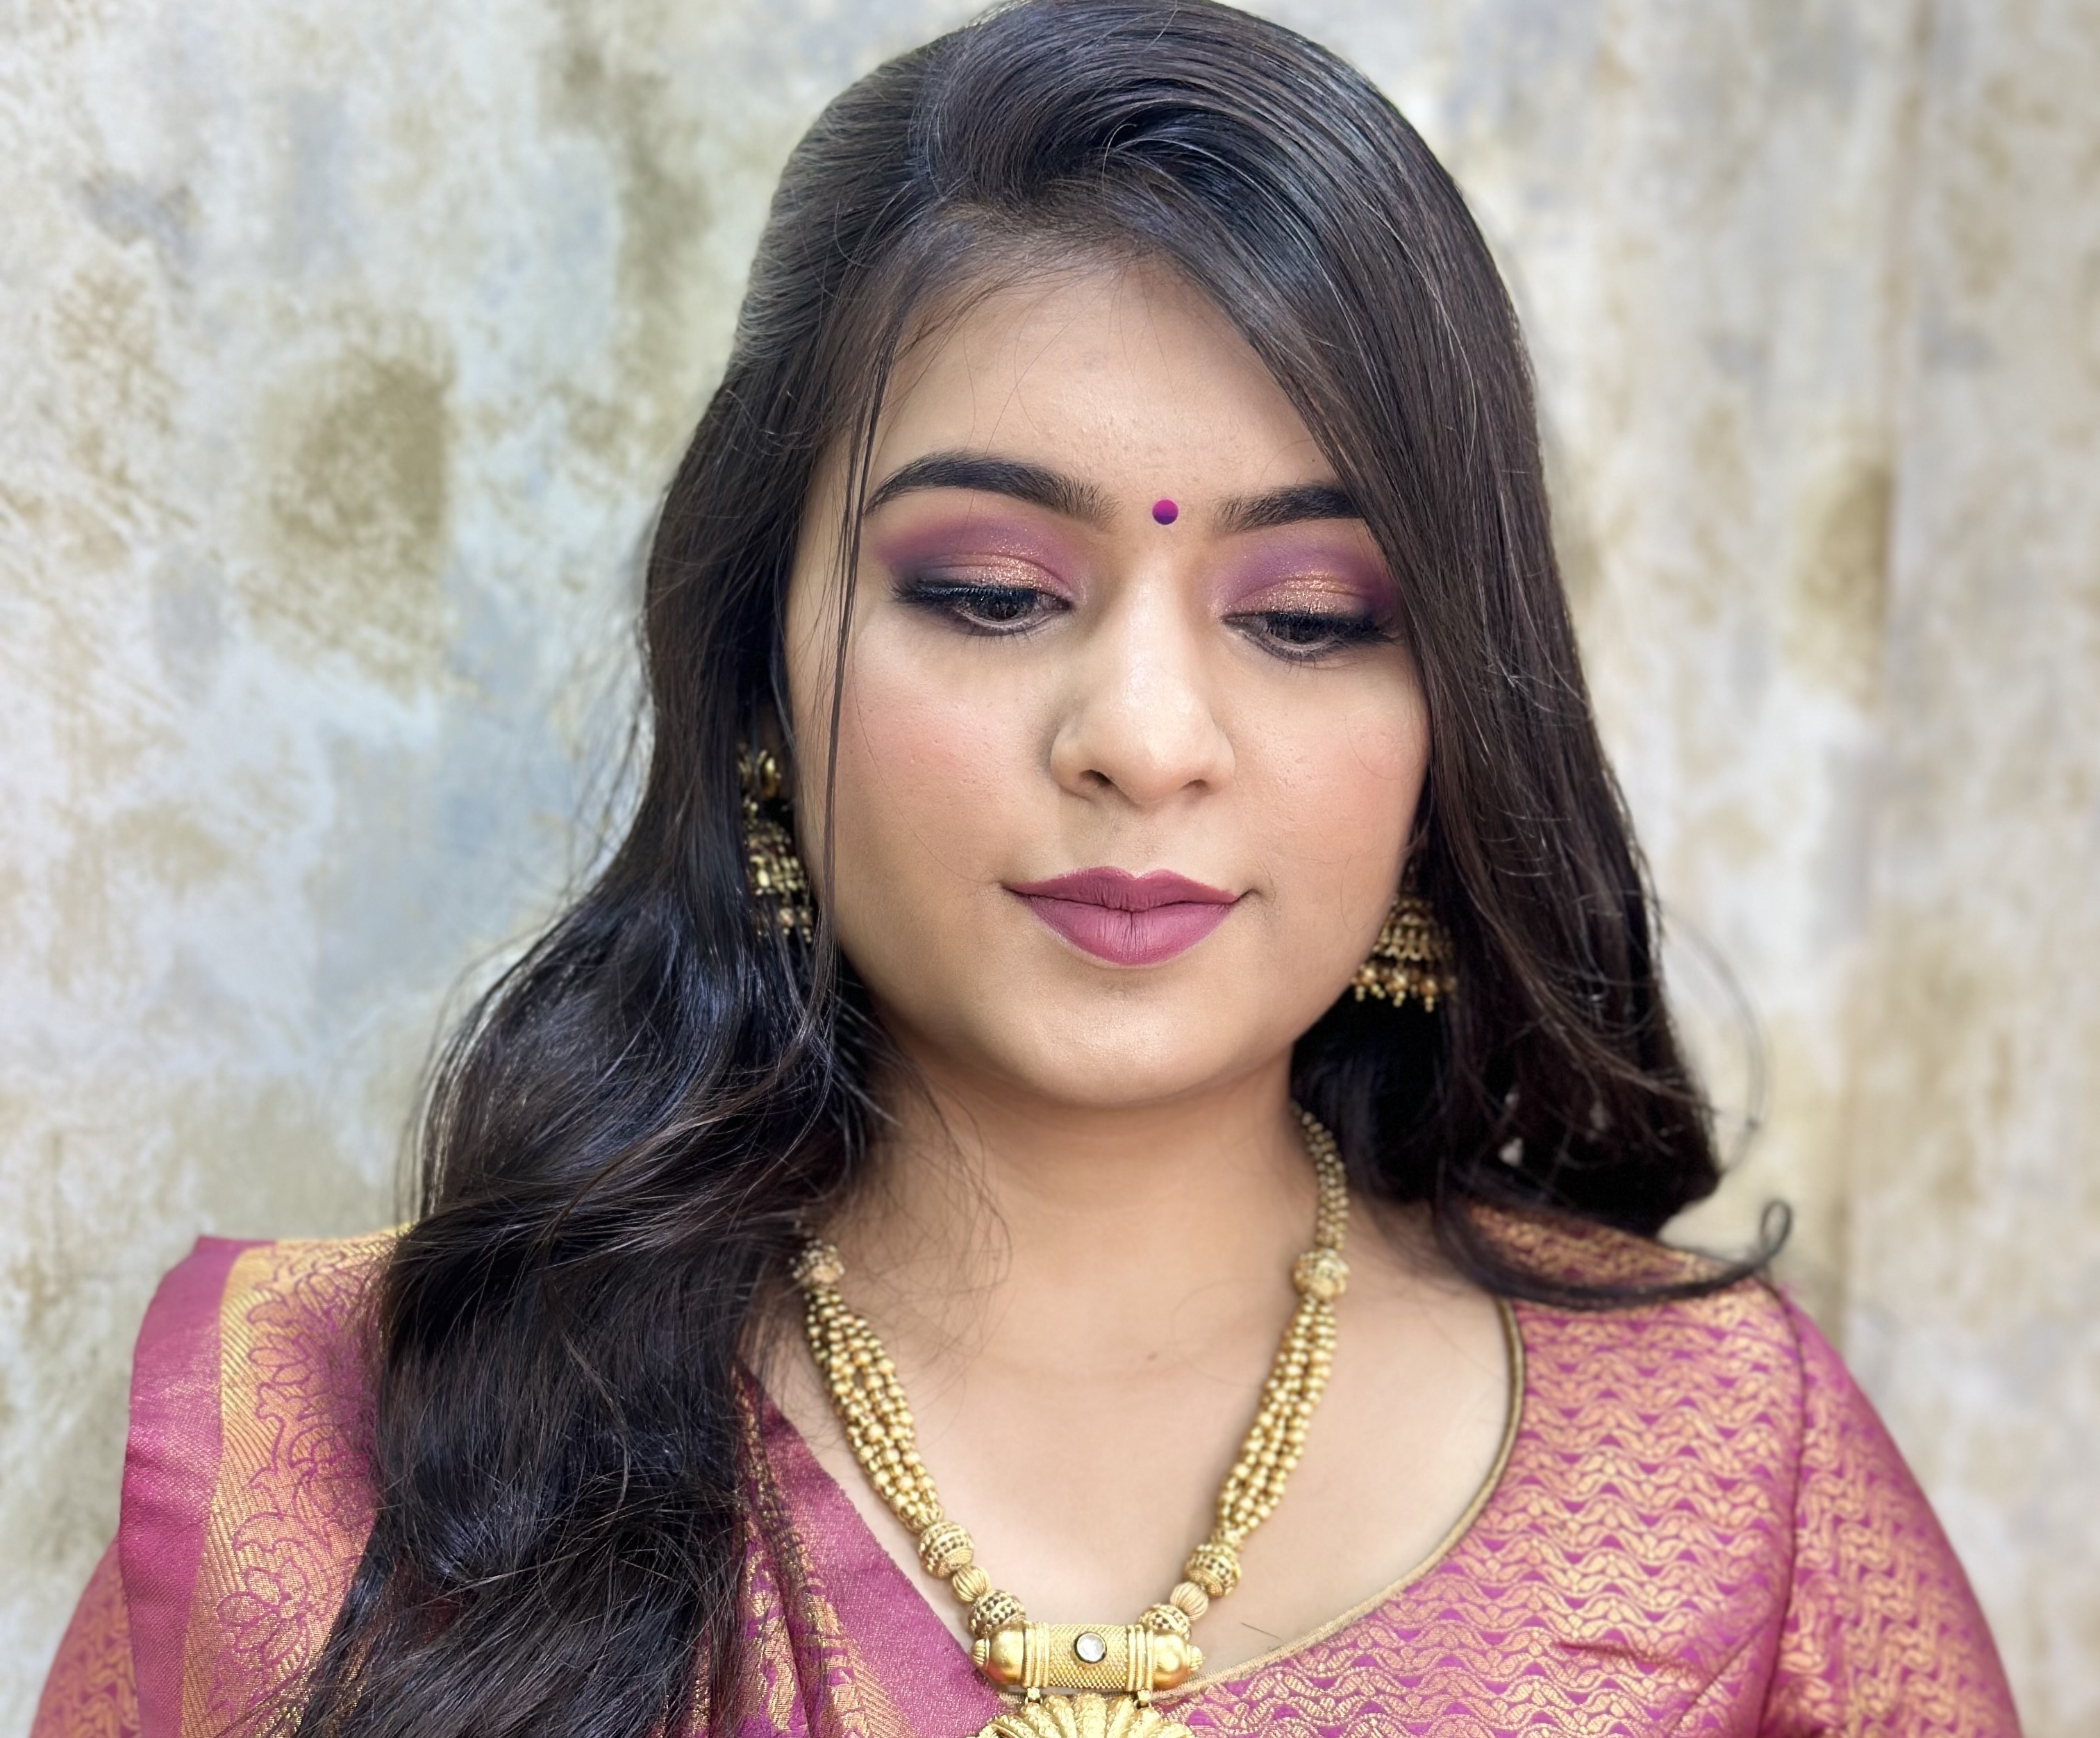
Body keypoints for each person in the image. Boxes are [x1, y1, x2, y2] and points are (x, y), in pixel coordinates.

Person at [33, 3, 2019, 1735]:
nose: (1143, 736)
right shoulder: (333, 1446)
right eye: (990, 592)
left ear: (1451, 726)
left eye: (1308, 617)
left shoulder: (1724, 1464)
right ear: (758, 667)